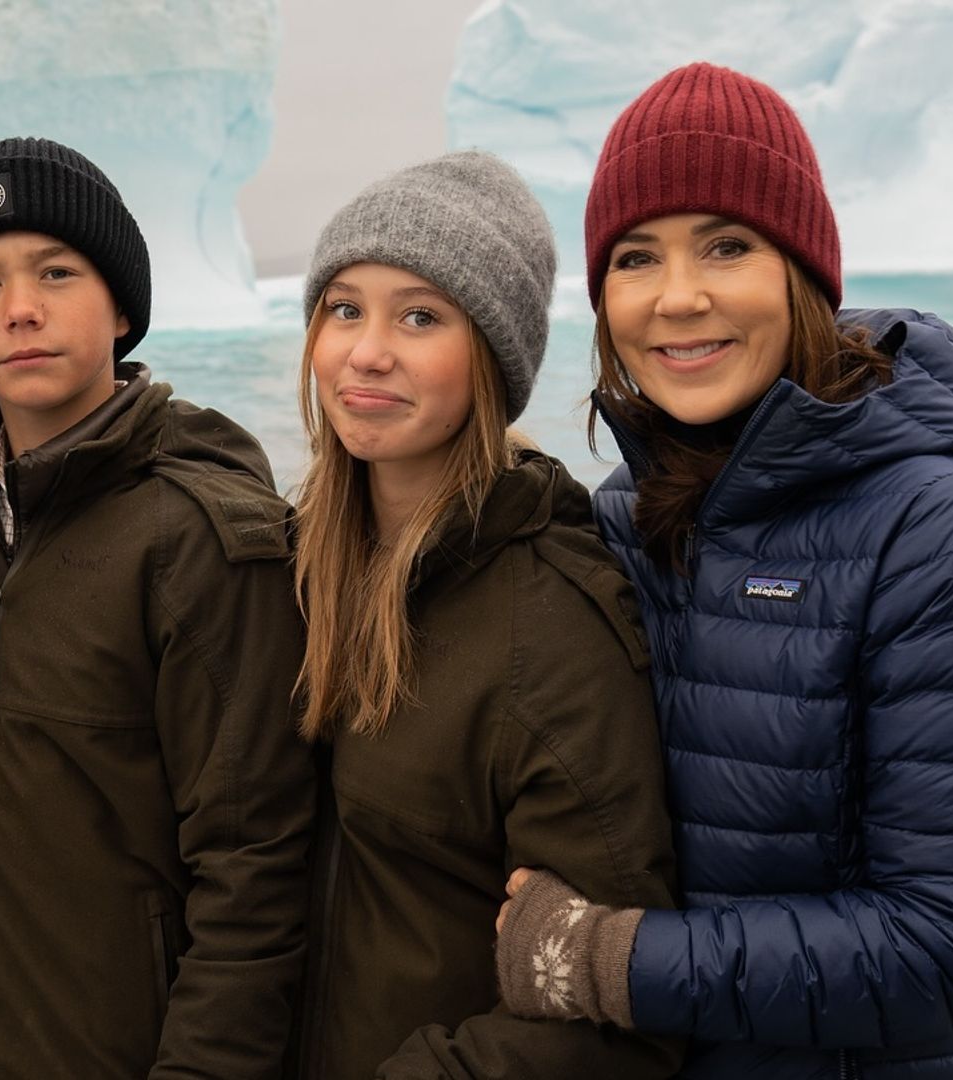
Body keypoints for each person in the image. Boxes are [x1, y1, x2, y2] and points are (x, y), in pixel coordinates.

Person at [493, 62, 953, 1080]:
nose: (679, 298)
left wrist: (600, 957)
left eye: (727, 246)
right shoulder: (627, 519)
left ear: (801, 273)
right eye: (636, 259)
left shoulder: (949, 541)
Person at [0, 136, 314, 1079]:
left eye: (56, 272)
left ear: (121, 306)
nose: (22, 309)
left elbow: (255, 866)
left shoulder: (200, 535)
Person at [284, 151, 682, 1080]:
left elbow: (617, 1024)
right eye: (345, 308)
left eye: (420, 315)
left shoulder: (551, 630)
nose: (367, 350)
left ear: (493, 359)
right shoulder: (296, 566)